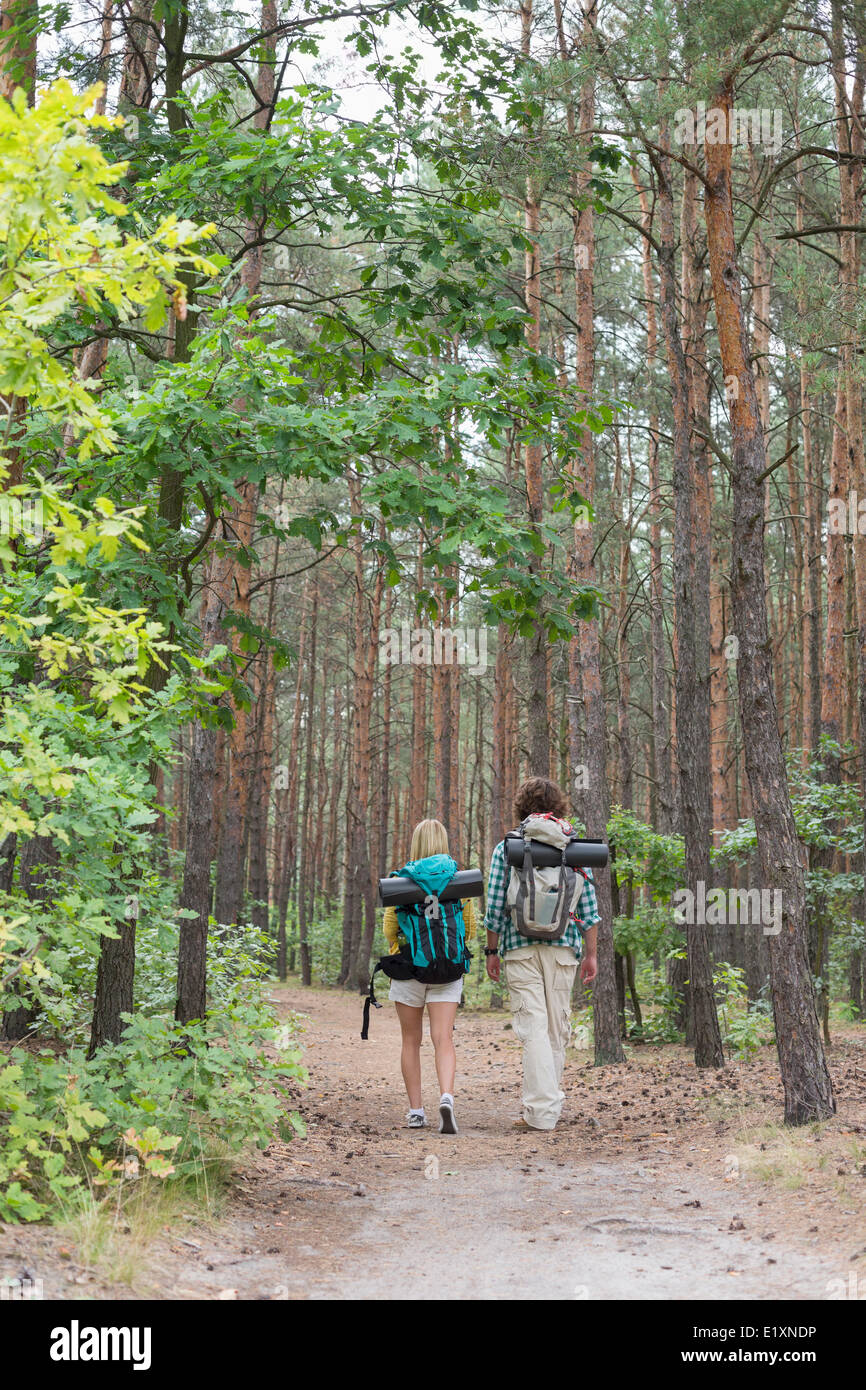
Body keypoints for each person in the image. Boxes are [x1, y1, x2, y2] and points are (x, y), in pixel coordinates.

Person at [484, 777, 599, 1131]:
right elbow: (590, 909)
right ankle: (546, 1109)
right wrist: (591, 954)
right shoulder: (574, 845)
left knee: (532, 1028)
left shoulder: (509, 847)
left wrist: (491, 951)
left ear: (521, 807)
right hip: (564, 948)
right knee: (555, 1029)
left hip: (519, 947)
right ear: (559, 805)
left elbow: (495, 904)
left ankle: (541, 1113)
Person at [383, 818, 477, 1133]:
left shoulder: (400, 880)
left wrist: (406, 943)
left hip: (410, 969)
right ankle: (446, 1098)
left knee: (411, 1040)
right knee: (443, 1039)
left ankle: (415, 1111)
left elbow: (389, 929)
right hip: (448, 971)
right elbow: (471, 929)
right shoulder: (459, 881)